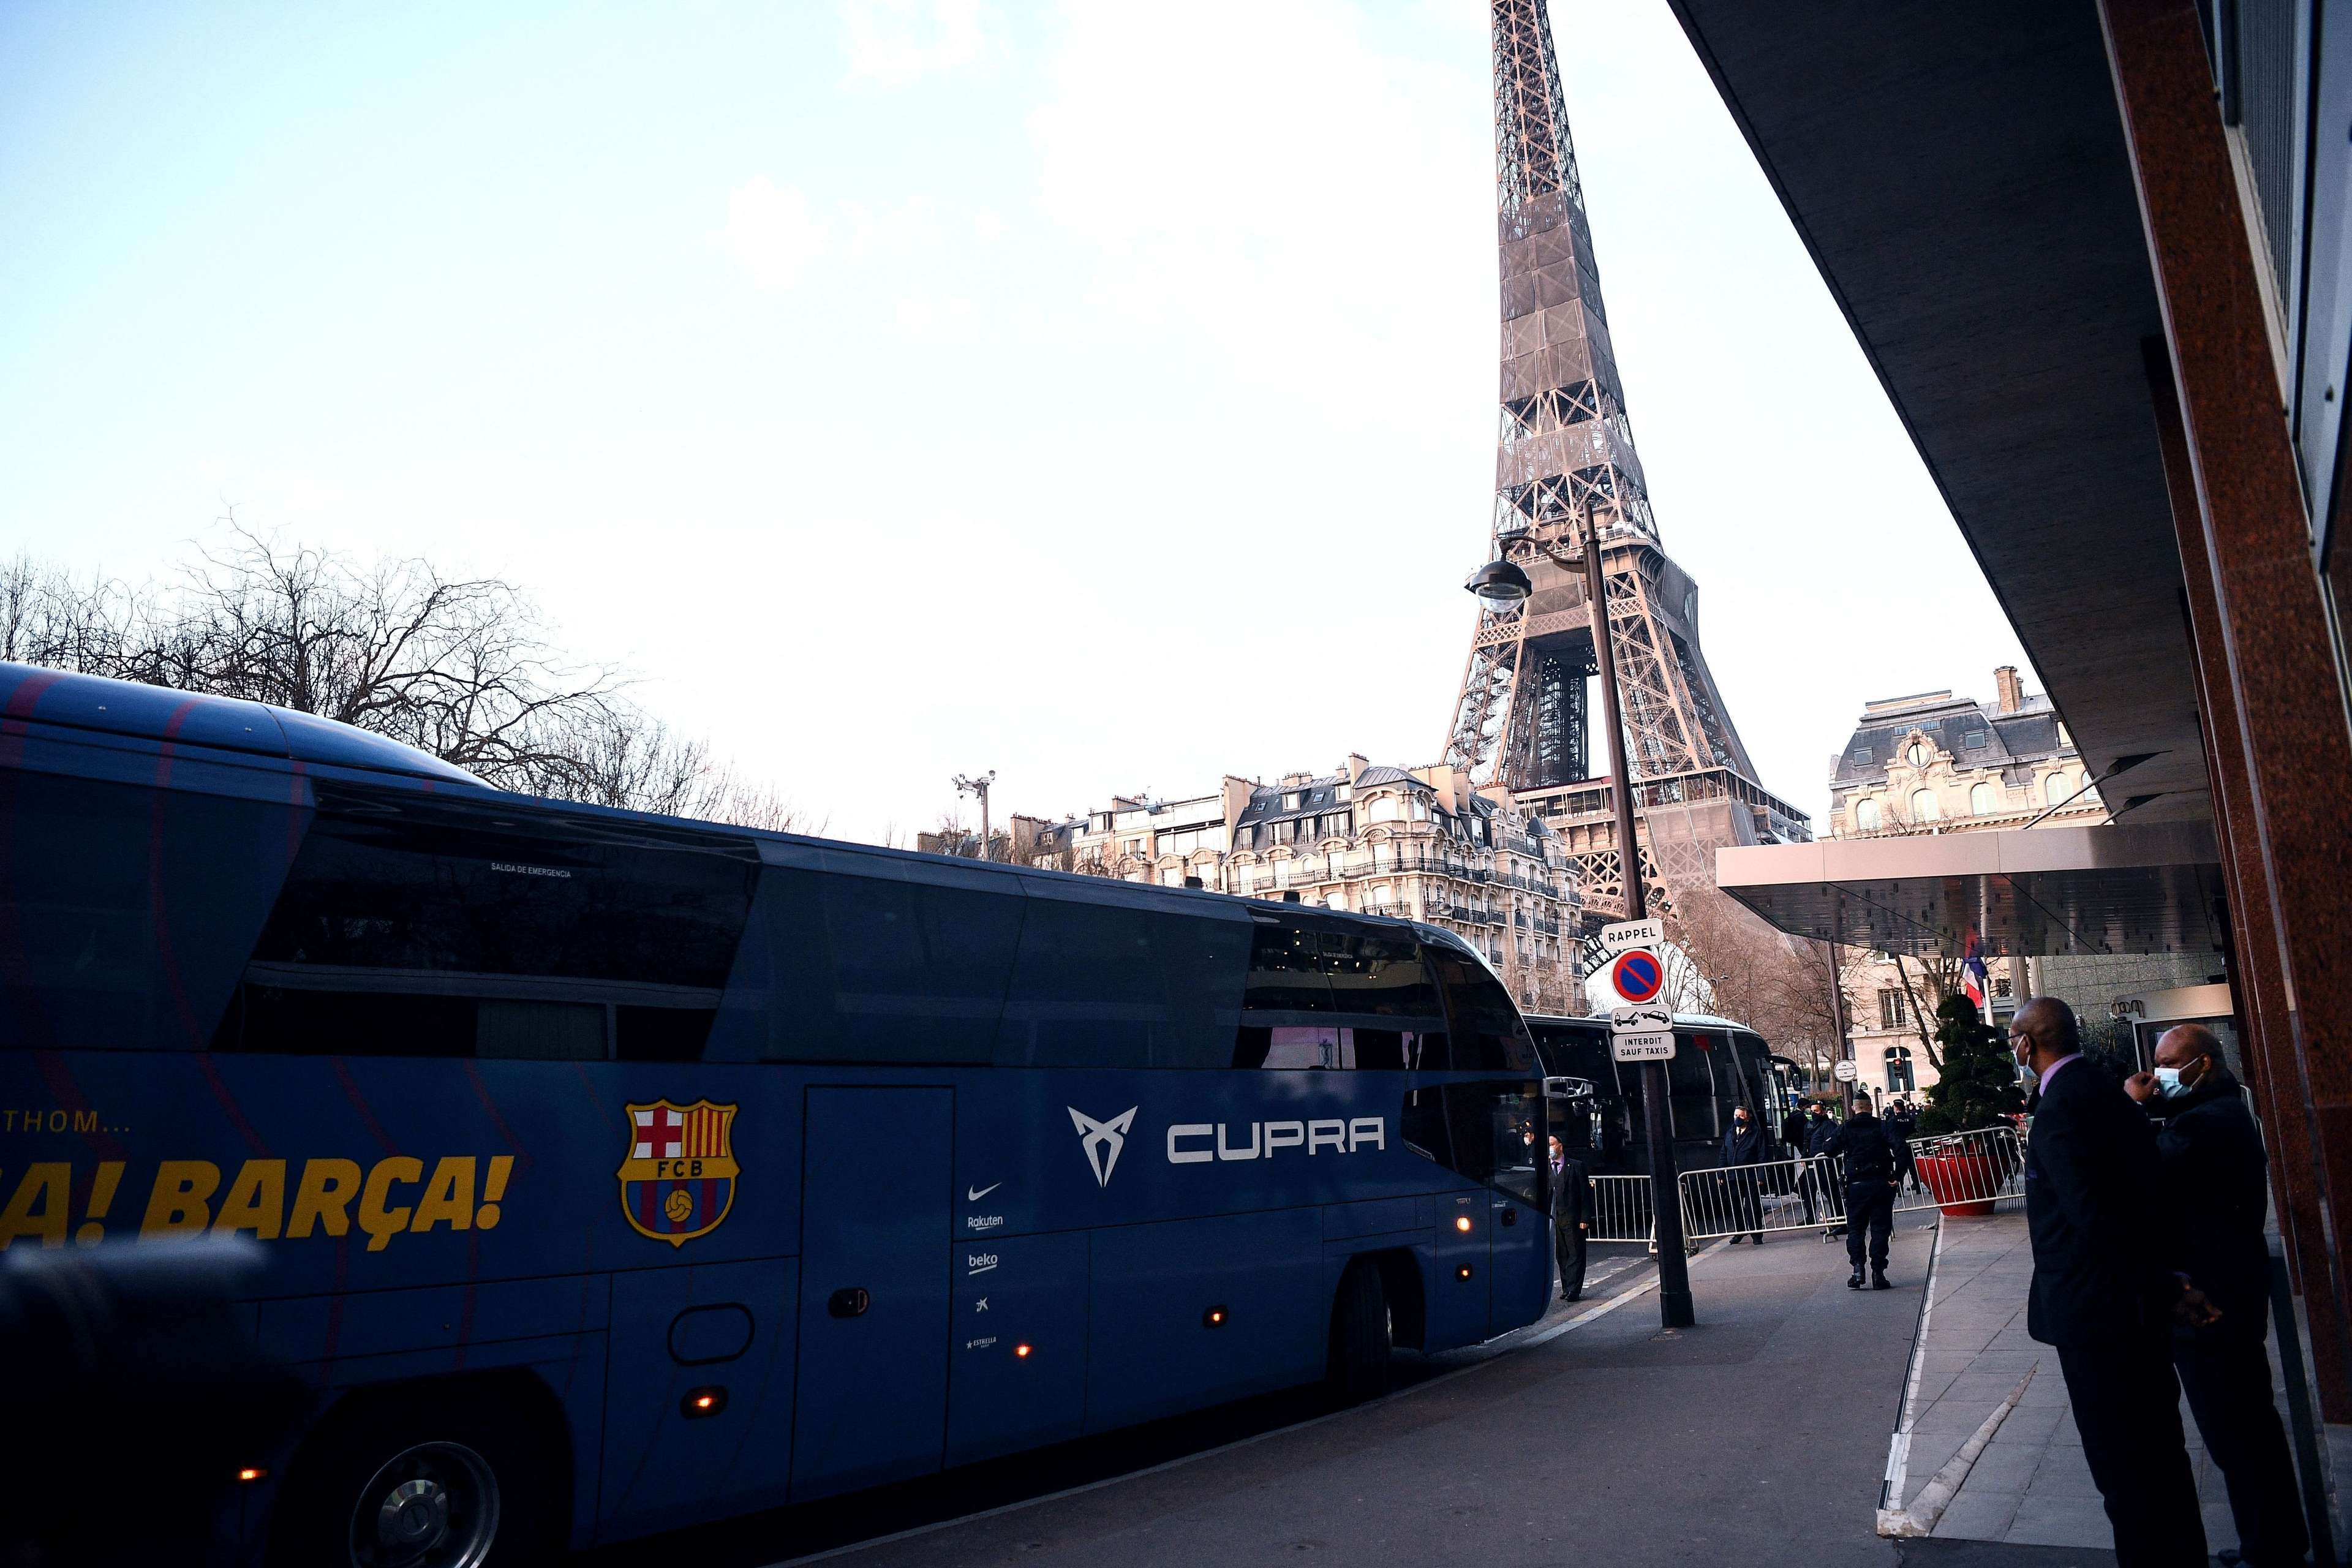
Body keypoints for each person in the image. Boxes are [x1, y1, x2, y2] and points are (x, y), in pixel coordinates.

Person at [2013, 996, 2210, 1568]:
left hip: (2100, 1317)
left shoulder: (2062, 1110)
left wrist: (2164, 1284)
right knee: (2160, 1458)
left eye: (2015, 1042)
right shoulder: (2109, 1095)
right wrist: (2167, 1282)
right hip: (2134, 1308)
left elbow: (2094, 1216)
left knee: (2125, 1471)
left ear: (2029, 1045)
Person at [2125, 1025, 2309, 1568]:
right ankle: (2272, 1540)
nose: (2158, 1072)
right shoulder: (2216, 1113)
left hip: (2213, 1299)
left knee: (2237, 1429)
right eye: (2155, 1062)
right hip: (2228, 1288)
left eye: (2168, 1062)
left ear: (2203, 1064)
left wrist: (2132, 1111)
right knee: (2245, 1424)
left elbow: (2149, 1171)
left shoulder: (2210, 1121)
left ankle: (2272, 1547)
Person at [1828, 1091, 1898, 1287]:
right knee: (1880, 1229)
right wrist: (1897, 1176)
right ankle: (1878, 1274)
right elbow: (1901, 1148)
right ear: (1871, 1108)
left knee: (1856, 1230)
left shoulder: (1846, 1128)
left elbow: (1829, 1149)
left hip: (1856, 1185)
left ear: (1853, 1109)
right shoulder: (1883, 1126)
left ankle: (1858, 1271)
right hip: (1881, 1183)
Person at [1550, 1134, 1589, 1302]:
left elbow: (1585, 1194)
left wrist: (1585, 1218)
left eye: (1552, 1144)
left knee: (1576, 1253)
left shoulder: (1576, 1166)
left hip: (1573, 1218)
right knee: (1562, 1255)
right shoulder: (1546, 1169)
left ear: (1560, 1146)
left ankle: (1574, 1289)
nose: (1549, 1148)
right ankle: (1566, 1287)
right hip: (1555, 1218)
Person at [1719, 1106, 1766, 1243]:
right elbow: (1724, 1153)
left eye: (1740, 1116)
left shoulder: (1755, 1133)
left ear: (1747, 1117)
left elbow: (1762, 1155)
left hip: (1750, 1177)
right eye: (1736, 1116)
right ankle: (1739, 1232)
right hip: (1733, 1177)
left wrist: (1761, 1176)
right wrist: (1721, 1173)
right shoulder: (1730, 1133)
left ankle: (1756, 1234)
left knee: (1753, 1206)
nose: (1737, 1118)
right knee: (1735, 1205)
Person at [1806, 1104, 1845, 1238]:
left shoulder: (1828, 1126)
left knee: (1832, 1193)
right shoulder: (1816, 1126)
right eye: (1811, 1111)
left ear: (1822, 1112)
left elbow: (1832, 1144)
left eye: (1816, 1111)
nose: (1813, 1114)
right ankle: (1836, 1221)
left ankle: (1840, 1222)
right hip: (1819, 1165)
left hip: (1827, 1166)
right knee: (1829, 1194)